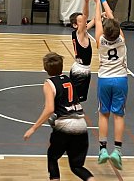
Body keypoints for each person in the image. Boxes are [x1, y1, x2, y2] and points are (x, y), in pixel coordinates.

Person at [23, 52, 95, 181]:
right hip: (81, 125)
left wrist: (33, 128)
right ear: (62, 67)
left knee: (52, 157)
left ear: (46, 68)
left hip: (65, 125)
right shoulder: (69, 80)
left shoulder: (49, 83)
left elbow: (49, 109)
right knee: (77, 166)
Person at [93, 0, 128, 170]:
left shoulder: (100, 39)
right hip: (120, 79)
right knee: (119, 115)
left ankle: (102, 150)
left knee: (103, 114)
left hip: (104, 79)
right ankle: (118, 151)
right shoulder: (121, 39)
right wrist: (105, 0)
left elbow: (99, 21)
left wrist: (97, 1)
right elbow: (112, 18)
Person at [68, 0, 95, 102]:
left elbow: (89, 24)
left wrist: (100, 16)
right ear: (75, 25)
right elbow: (85, 16)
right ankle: (62, 113)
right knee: (76, 98)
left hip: (79, 67)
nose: (84, 23)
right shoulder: (80, 33)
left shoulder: (80, 32)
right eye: (81, 21)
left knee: (75, 96)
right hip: (81, 71)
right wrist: (86, 1)